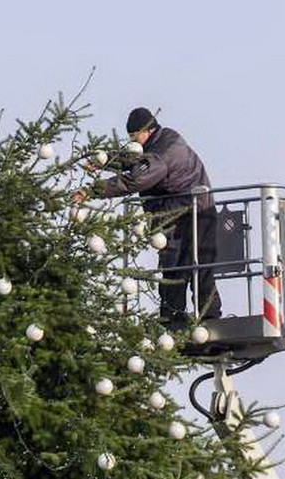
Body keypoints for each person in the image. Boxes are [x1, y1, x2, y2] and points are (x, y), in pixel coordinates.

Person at [75, 108, 222, 328]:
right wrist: (103, 161)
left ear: (148, 130)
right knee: (181, 266)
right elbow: (135, 158)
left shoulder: (163, 154)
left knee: (189, 265)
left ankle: (191, 317)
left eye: (135, 137)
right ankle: (177, 316)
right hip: (182, 210)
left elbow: (137, 180)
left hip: (193, 212)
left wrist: (93, 190)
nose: (133, 142)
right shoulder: (162, 140)